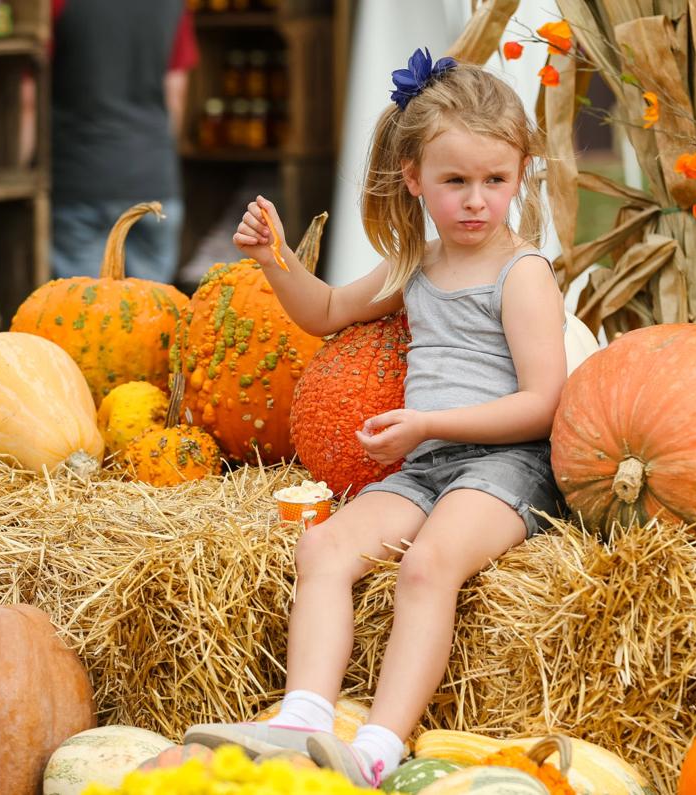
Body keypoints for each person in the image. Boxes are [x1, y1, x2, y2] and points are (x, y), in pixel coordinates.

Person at [183, 49, 567, 787]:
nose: (477, 201)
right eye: (456, 182)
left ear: (521, 174)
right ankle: (303, 715)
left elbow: (541, 402)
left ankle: (381, 745)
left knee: (429, 566)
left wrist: (428, 423)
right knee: (325, 549)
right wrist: (274, 260)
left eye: (496, 180)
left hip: (506, 466)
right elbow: (324, 312)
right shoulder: (415, 265)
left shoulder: (523, 276)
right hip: (426, 464)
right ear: (416, 179)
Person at [48, 0, 198, 283]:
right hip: (153, 180)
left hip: (80, 178)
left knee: (82, 315)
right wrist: (157, 158)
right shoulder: (171, 5)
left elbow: (28, 97)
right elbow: (175, 93)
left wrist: (20, 162)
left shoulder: (56, 4)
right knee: (152, 313)